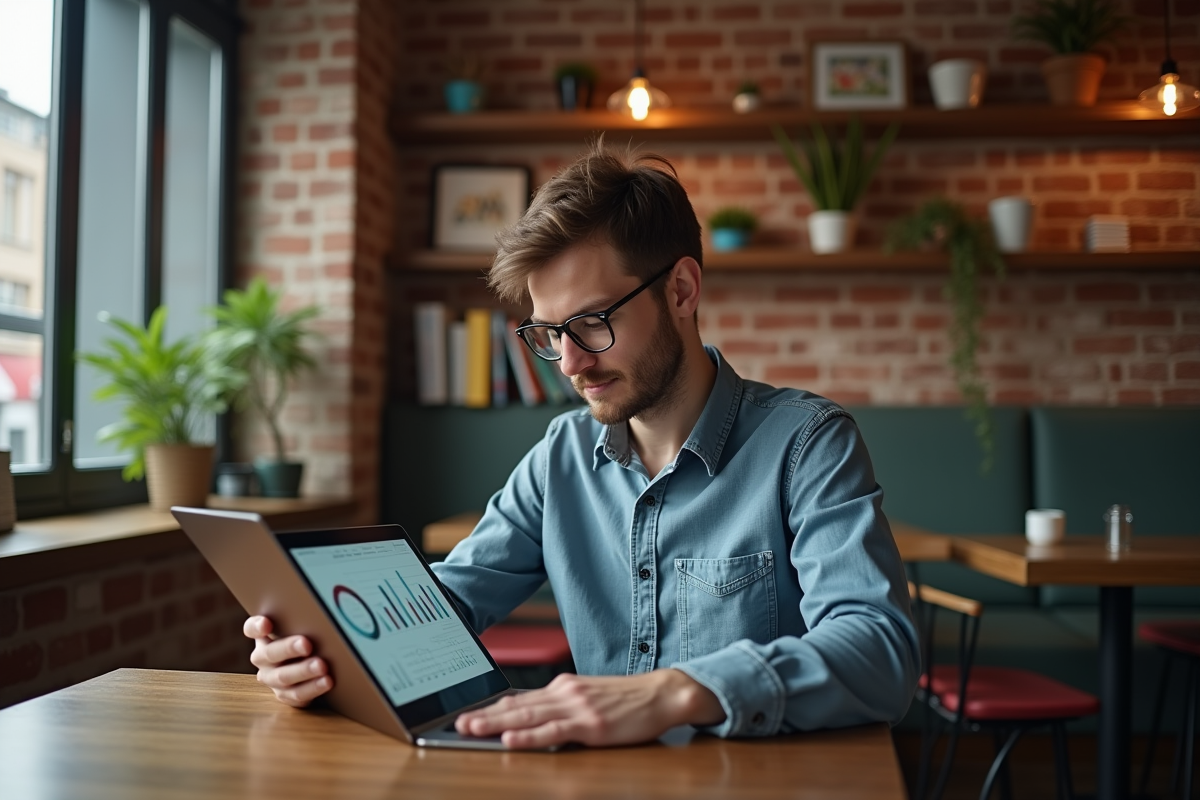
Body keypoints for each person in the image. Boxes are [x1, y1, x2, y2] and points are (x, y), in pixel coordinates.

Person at [244, 142, 920, 750]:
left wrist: (670, 693)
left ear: (681, 290)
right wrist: (327, 651)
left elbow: (881, 652)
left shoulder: (806, 444)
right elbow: (442, 604)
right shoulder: (561, 455)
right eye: (547, 333)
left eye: (592, 323)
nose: (568, 363)